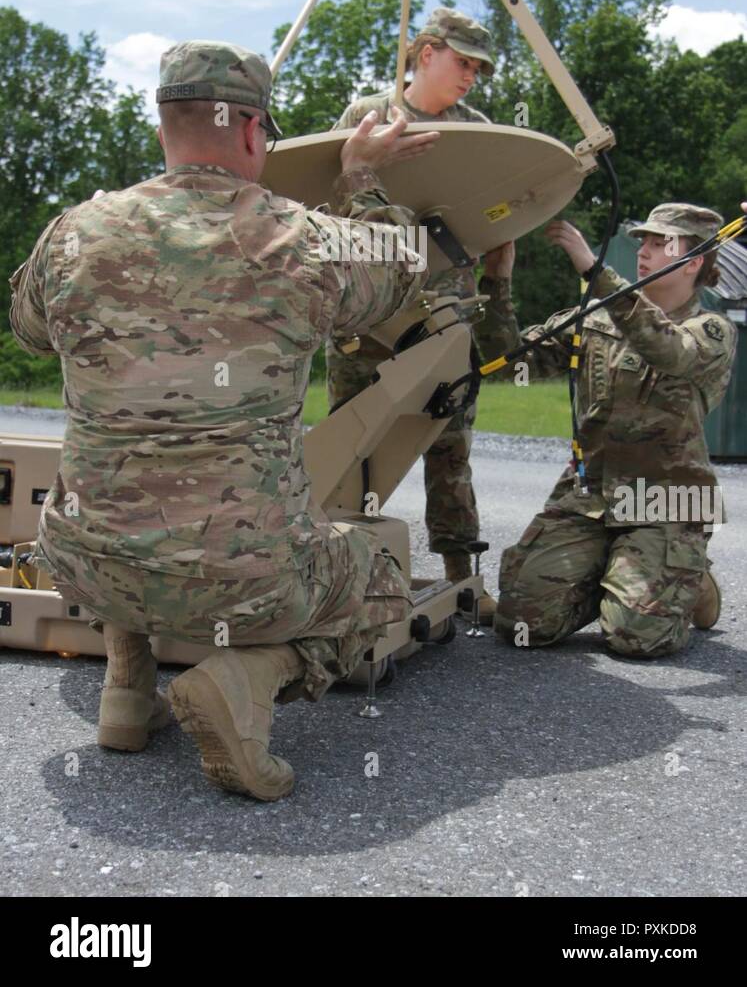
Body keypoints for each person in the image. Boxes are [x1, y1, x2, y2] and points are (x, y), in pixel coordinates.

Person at [8, 41, 441, 801]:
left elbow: (31, 330)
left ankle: (127, 694)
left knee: (128, 499)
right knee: (379, 580)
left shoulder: (73, 233)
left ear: (164, 128)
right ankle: (243, 680)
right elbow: (400, 272)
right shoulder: (304, 239)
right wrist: (362, 177)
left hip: (83, 562)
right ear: (251, 132)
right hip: (244, 576)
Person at [477, 203, 738, 658]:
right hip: (591, 493)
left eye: (662, 244)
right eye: (644, 242)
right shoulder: (595, 319)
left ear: (693, 260)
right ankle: (622, 573)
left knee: (638, 639)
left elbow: (666, 350)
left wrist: (594, 270)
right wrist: (497, 281)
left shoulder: (710, 331)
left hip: (664, 500)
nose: (645, 252)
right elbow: (511, 365)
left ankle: (687, 582)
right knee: (522, 623)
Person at [327, 6, 499, 619]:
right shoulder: (365, 118)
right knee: (351, 440)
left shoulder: (477, 129)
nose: (472, 75)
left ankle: (461, 575)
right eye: (463, 62)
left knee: (449, 443)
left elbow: (497, 219)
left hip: (443, 311)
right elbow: (331, 206)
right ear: (426, 52)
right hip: (367, 315)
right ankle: (336, 568)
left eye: (480, 67)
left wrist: (500, 296)